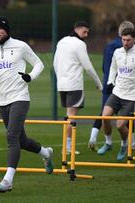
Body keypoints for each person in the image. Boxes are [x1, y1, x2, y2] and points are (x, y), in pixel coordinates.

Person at [0, 16, 53, 193]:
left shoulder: (20, 46)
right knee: (22, 140)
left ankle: (7, 180)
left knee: (11, 137)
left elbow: (39, 64)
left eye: (0, 28)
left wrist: (30, 77)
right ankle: (46, 153)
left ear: (7, 30)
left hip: (20, 97)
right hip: (1, 100)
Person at [98, 28, 135, 161]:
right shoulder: (117, 52)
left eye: (128, 40)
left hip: (132, 96)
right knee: (105, 117)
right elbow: (113, 68)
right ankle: (108, 143)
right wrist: (110, 81)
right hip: (117, 92)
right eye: (123, 40)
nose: (125, 43)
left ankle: (125, 145)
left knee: (120, 125)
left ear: (134, 39)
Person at [88, 20, 135, 152]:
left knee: (104, 113)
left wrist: (107, 80)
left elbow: (104, 66)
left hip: (108, 83)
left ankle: (94, 138)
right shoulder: (128, 47)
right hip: (123, 86)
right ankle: (131, 143)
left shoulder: (108, 46)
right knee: (127, 116)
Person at [53, 21, 103, 155]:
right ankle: (67, 148)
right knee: (71, 116)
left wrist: (60, 79)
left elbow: (55, 63)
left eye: (87, 32)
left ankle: (67, 146)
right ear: (76, 29)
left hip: (62, 85)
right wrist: (99, 83)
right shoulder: (80, 44)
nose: (86, 35)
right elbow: (88, 67)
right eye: (84, 32)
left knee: (69, 116)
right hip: (74, 85)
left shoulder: (61, 41)